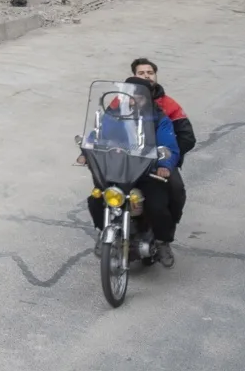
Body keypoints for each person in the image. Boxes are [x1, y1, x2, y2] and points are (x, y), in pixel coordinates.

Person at [82, 84, 180, 266]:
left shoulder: (158, 119)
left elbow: (168, 145)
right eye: (131, 96)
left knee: (157, 206)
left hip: (146, 172)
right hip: (118, 169)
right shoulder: (113, 116)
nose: (134, 101)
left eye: (139, 97)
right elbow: (97, 135)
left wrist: (164, 164)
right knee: (96, 199)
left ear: (147, 99)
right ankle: (104, 232)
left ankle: (162, 242)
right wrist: (86, 152)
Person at [131, 57, 193, 228]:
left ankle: (168, 227)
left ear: (156, 76)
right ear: (134, 76)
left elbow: (187, 136)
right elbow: (106, 128)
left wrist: (168, 158)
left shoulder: (169, 104)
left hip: (161, 158)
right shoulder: (120, 100)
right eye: (141, 73)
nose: (146, 76)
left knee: (176, 189)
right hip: (128, 158)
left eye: (150, 73)